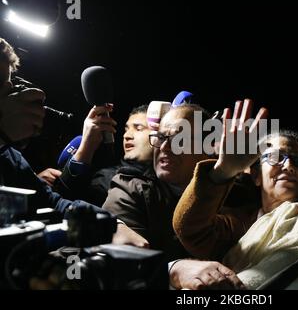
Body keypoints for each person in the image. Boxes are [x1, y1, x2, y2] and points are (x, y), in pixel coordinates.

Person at [171, 99, 298, 289]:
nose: (289, 166)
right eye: (276, 157)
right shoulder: (239, 222)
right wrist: (224, 170)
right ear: (257, 176)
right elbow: (190, 229)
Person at [0, 37, 147, 247]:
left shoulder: (10, 157)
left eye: (8, 85)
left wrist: (110, 224)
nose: (8, 95)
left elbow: (53, 202)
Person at [102, 104, 213, 259]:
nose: (165, 147)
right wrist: (171, 270)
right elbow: (118, 263)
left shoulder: (227, 187)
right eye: (160, 138)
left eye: (179, 139)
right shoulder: (130, 189)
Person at [48, 104, 154, 207]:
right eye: (126, 130)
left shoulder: (168, 178)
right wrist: (86, 146)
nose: (126, 135)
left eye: (138, 128)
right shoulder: (108, 180)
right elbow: (67, 202)